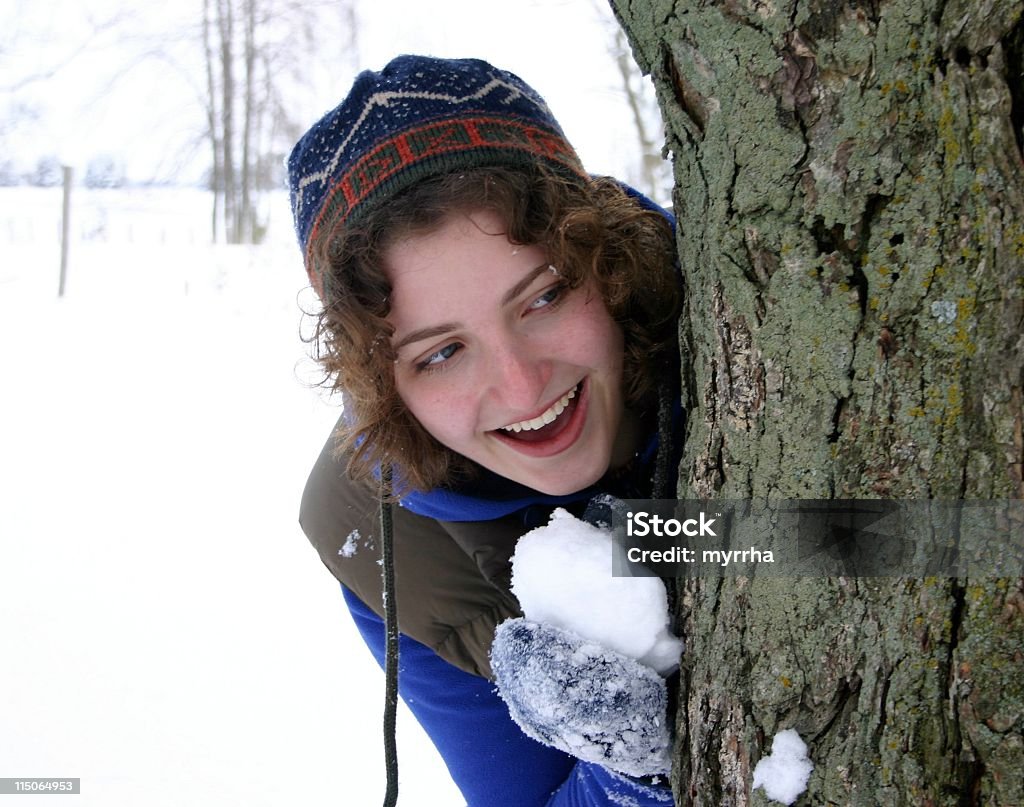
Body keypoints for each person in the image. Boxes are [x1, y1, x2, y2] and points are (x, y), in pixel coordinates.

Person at [289, 55, 683, 806]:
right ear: (383, 384)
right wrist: (629, 772)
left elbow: (903, 537)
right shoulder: (382, 537)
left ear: (609, 260)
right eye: (441, 352)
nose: (523, 384)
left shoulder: (747, 324)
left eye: (545, 296)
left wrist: (679, 541)